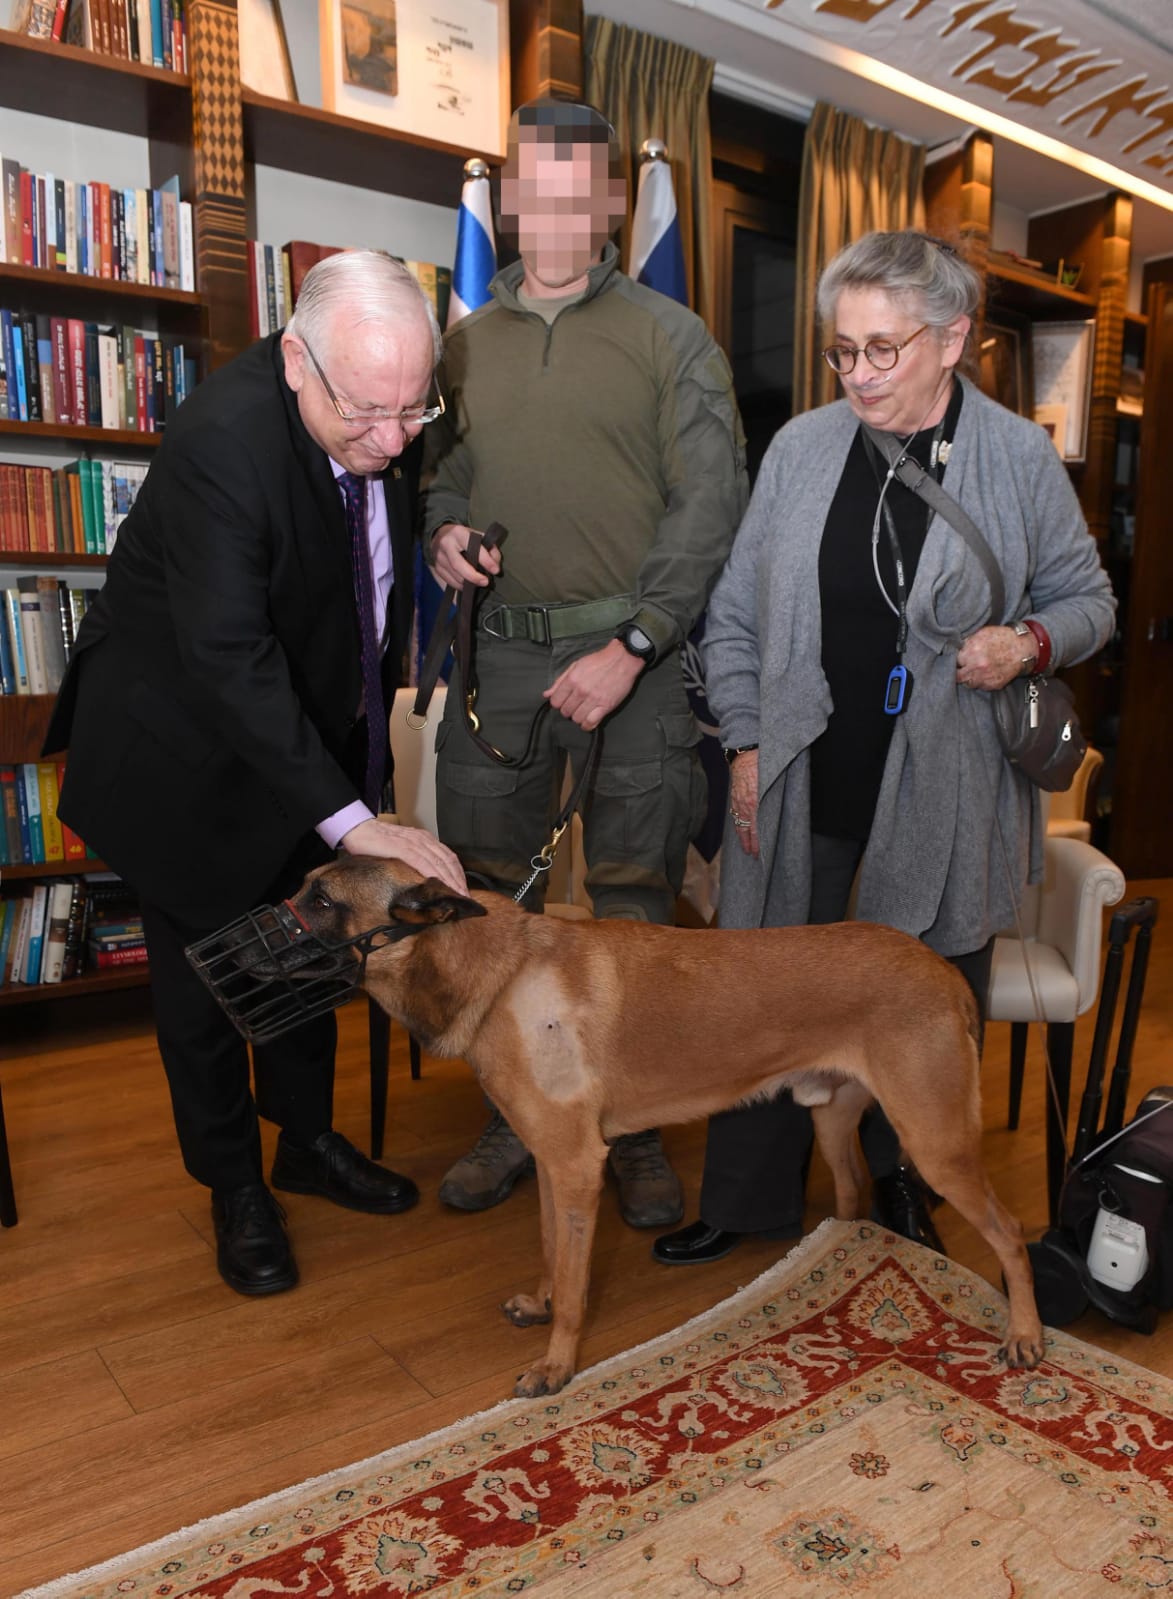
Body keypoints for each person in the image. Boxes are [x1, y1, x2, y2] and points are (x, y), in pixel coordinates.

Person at [653, 228, 1115, 1266]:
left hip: (949, 783)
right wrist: (745, 745)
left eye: (881, 349)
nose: (856, 374)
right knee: (763, 986)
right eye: (841, 349)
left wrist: (1027, 641)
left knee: (918, 991)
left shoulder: (1016, 458)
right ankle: (748, 1196)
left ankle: (905, 1184)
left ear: (952, 340)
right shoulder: (801, 449)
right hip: (804, 771)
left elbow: (1090, 602)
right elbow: (735, 617)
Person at [44, 251, 467, 1297]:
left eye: (412, 409)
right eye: (368, 412)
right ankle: (233, 1185)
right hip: (178, 752)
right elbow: (229, 656)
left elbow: (353, 594)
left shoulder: (378, 405)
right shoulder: (219, 444)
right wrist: (353, 820)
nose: (394, 439)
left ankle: (305, 1143)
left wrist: (346, 788)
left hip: (296, 736)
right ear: (295, 362)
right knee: (209, 983)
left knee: (306, 955)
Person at [421, 98, 748, 1229]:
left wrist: (637, 642)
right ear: (510, 195)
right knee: (485, 904)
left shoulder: (671, 336)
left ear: (610, 201)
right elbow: (441, 474)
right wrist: (443, 534)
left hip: (634, 666)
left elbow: (711, 505)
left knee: (634, 906)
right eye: (534, 195)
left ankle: (634, 1125)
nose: (554, 220)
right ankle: (512, 1113)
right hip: (500, 663)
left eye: (578, 198)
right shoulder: (464, 341)